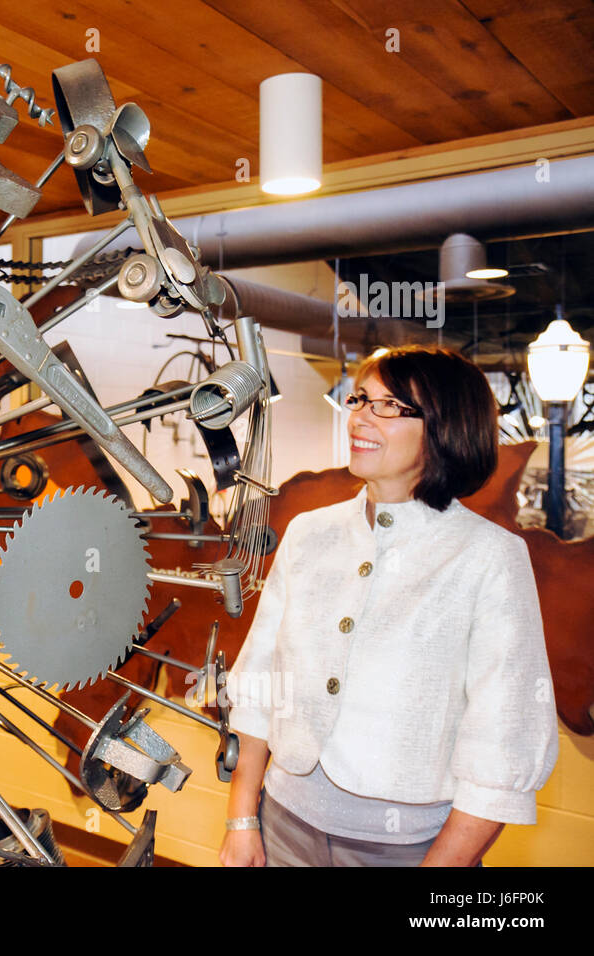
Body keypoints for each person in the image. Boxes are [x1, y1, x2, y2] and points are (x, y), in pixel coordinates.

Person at [220, 345, 559, 867]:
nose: (360, 416)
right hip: (282, 824)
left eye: (389, 406)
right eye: (360, 399)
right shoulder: (310, 533)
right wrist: (242, 818)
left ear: (446, 428)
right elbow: (262, 679)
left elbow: (502, 739)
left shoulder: (490, 557)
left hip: (406, 849)